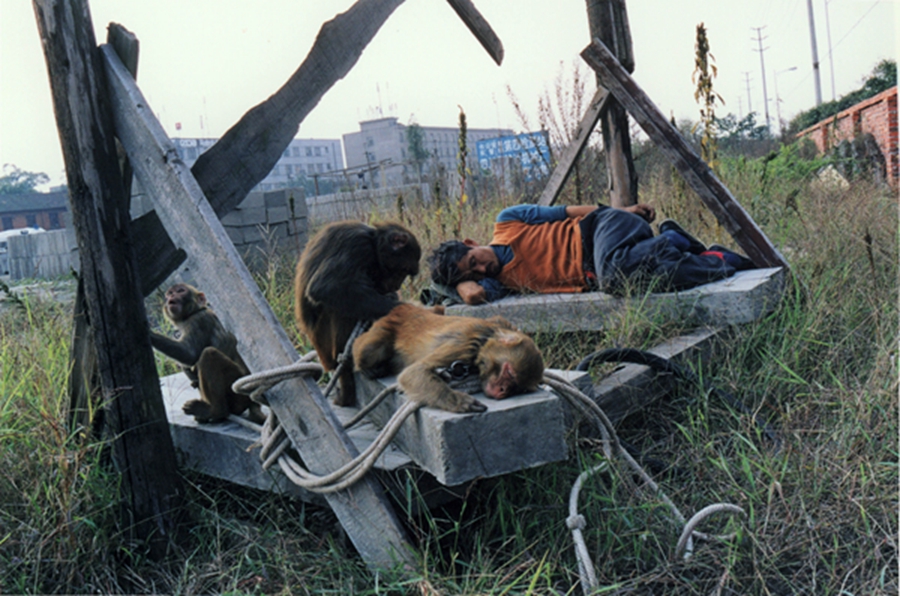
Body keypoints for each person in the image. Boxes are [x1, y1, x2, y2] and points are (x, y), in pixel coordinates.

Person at [427, 203, 755, 305]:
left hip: (601, 227)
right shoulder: (499, 284)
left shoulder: (507, 221)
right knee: (626, 281)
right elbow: (472, 297)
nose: (483, 269)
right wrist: (457, 282)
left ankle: (671, 242)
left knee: (614, 275)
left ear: (471, 243)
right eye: (475, 274)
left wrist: (623, 210)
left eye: (474, 261)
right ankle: (714, 258)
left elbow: (566, 211)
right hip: (610, 263)